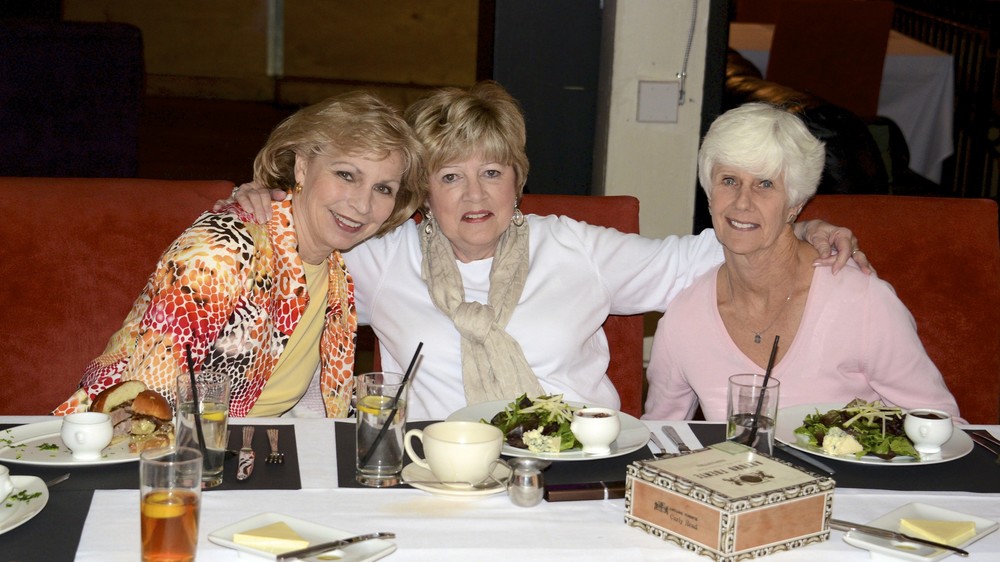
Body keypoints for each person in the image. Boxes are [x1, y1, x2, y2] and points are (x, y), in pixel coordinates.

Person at [230, 82, 867, 421]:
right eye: (450, 176)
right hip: (437, 478)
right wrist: (261, 201)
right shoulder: (378, 257)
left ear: (519, 179)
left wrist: (796, 228)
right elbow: (290, 253)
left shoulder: (574, 247)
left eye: (492, 172)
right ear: (424, 190)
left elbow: (700, 257)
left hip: (576, 468)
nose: (474, 195)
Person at [54, 91, 425, 418]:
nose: (362, 204)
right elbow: (145, 403)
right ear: (302, 166)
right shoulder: (223, 251)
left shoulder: (338, 263)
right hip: (130, 443)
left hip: (260, 444)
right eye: (346, 175)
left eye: (383, 188)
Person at [643, 103, 962, 421]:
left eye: (765, 184)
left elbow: (940, 424)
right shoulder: (684, 320)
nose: (742, 202)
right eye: (729, 180)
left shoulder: (861, 302)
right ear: (709, 194)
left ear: (795, 204)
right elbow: (661, 436)